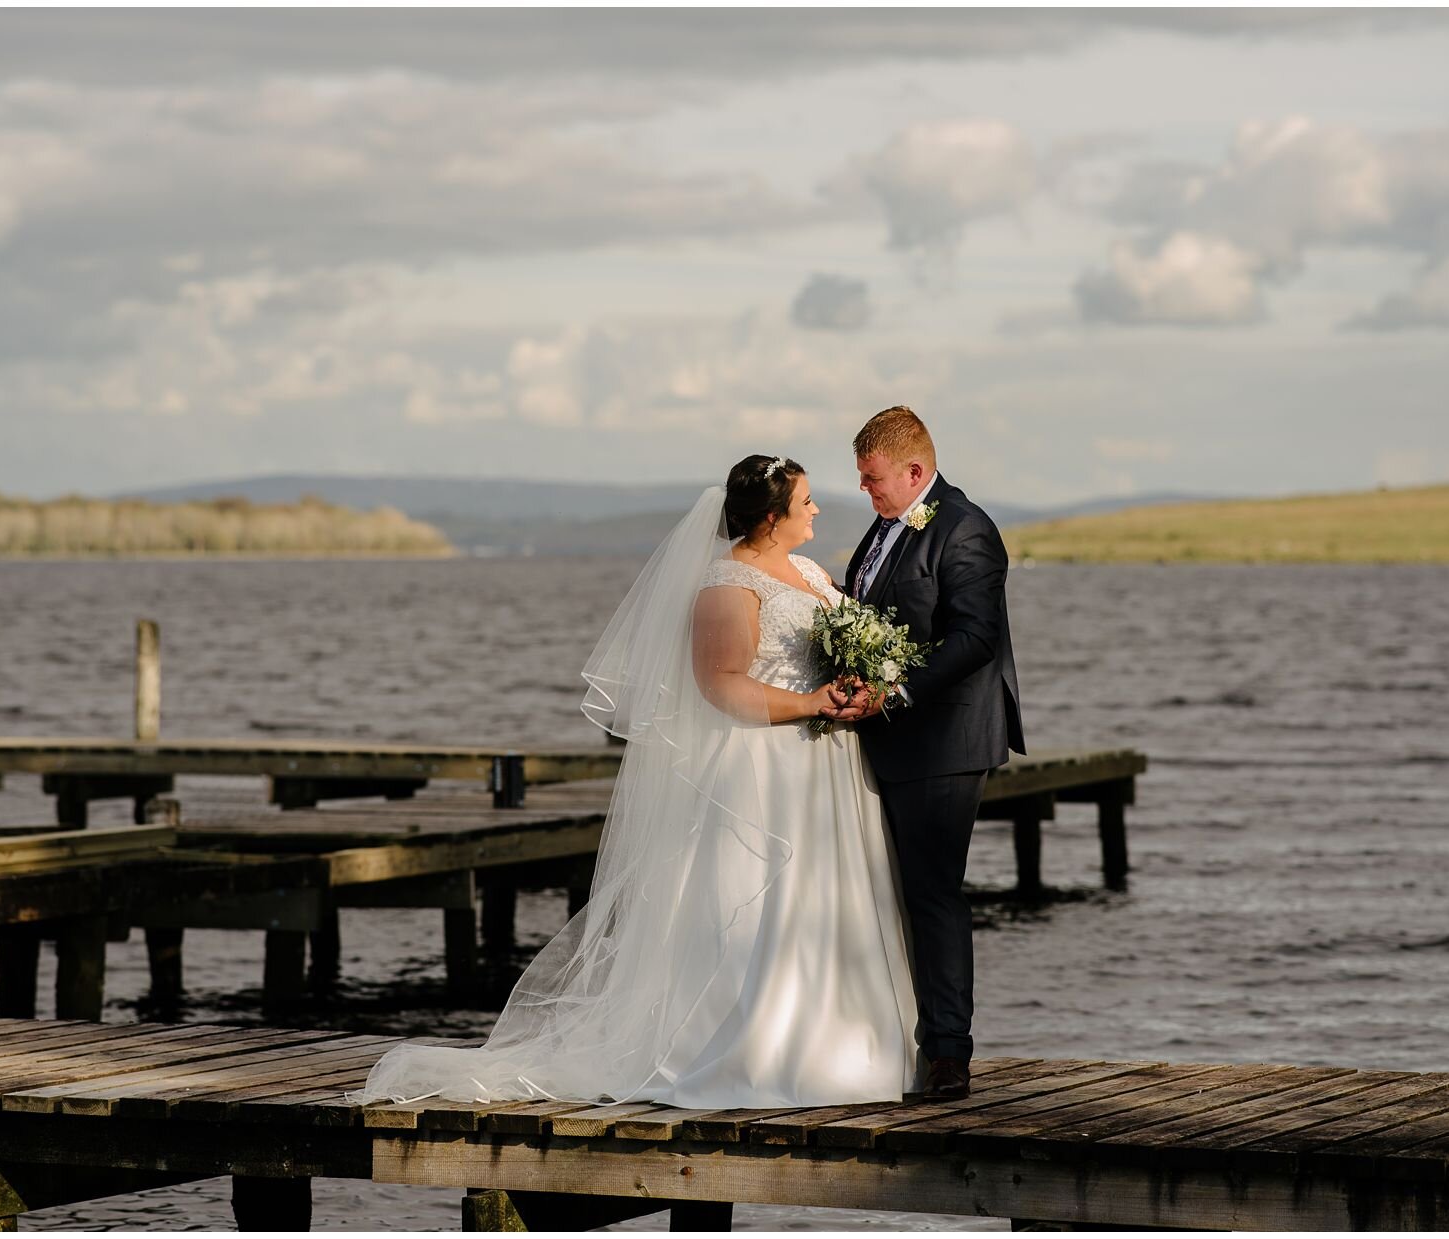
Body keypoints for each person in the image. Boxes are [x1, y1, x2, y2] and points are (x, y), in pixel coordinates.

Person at [349, 455, 924, 1108]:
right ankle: (760, 1048)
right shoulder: (726, 584)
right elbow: (721, 686)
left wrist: (854, 686)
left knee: (831, 902)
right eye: (805, 502)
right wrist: (814, 703)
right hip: (767, 768)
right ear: (771, 518)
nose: (816, 510)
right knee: (761, 906)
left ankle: (845, 1046)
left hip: (826, 768)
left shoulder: (814, 573)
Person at [834, 406, 1026, 1101]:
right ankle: (891, 1038)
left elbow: (974, 636)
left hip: (945, 736)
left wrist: (893, 693)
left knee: (933, 892)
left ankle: (948, 1054)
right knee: (894, 889)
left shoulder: (964, 526)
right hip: (888, 734)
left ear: (915, 471)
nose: (865, 490)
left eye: (872, 478)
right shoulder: (886, 526)